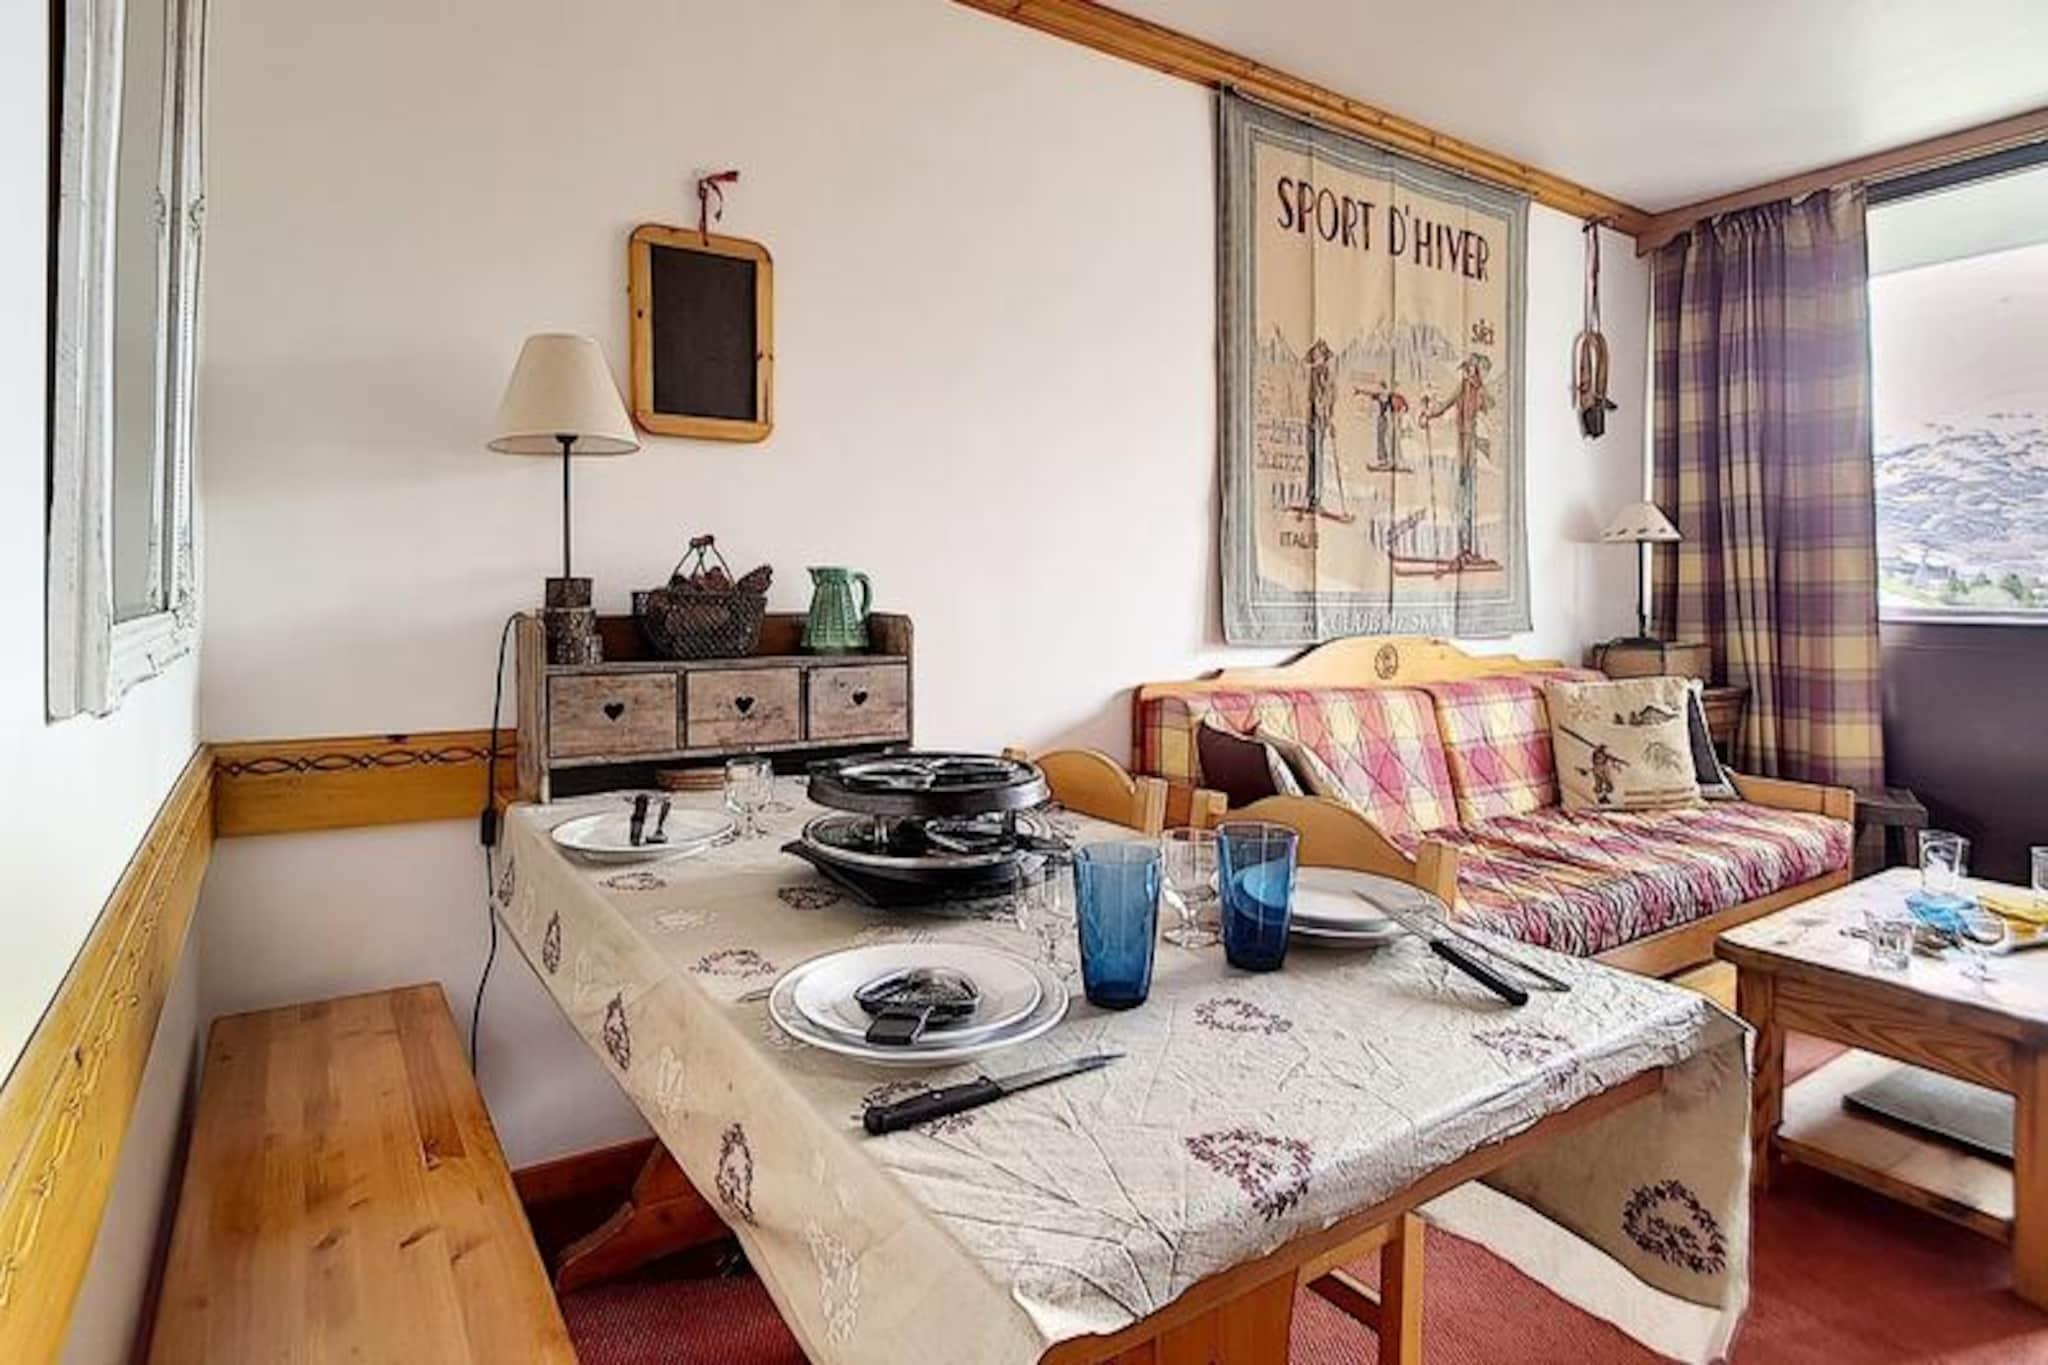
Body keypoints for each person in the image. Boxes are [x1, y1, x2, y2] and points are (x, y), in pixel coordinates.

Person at [1419, 353, 1493, 564]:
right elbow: (1445, 405)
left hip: (1475, 450)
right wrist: (1429, 413)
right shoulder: (1462, 387)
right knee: (1462, 499)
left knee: (1470, 500)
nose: (1469, 372)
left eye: (1471, 369)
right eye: (1467, 369)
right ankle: (1463, 547)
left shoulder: (1479, 390)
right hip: (1463, 450)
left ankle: (1469, 548)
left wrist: (1481, 388)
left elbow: (1489, 406)